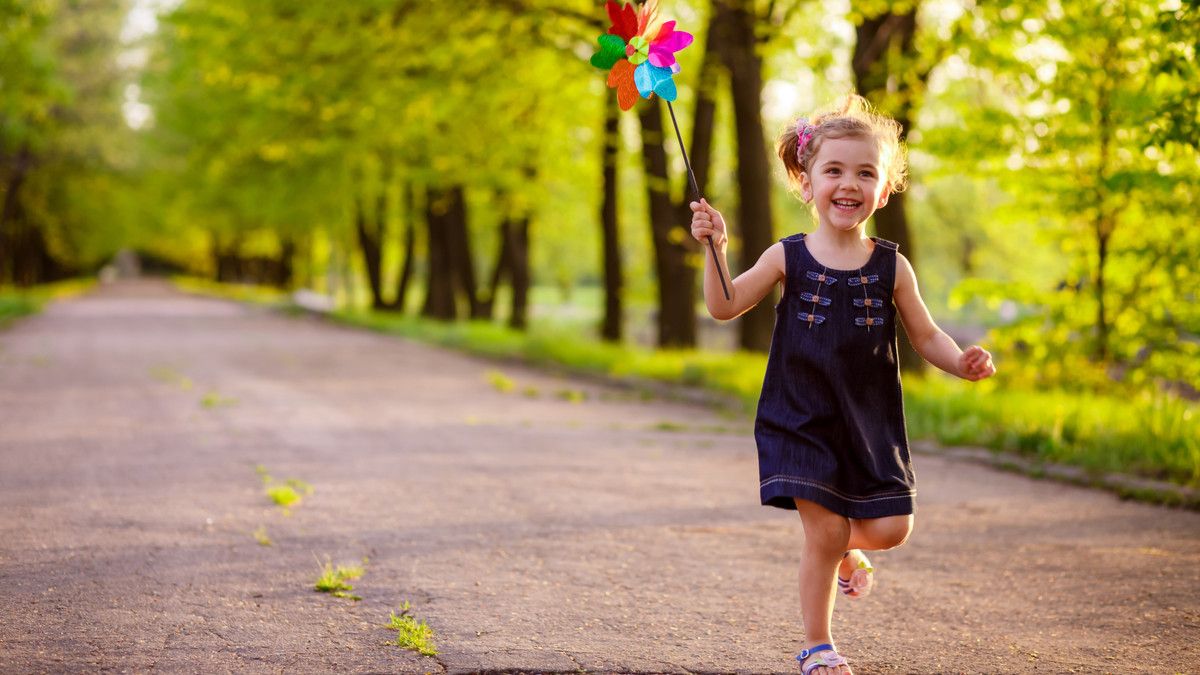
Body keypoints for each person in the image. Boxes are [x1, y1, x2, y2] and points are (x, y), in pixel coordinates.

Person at [689, 95, 996, 675]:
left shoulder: (891, 266)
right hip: (798, 416)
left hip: (869, 421)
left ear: (884, 191)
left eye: (865, 172)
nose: (848, 183)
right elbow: (724, 304)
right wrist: (716, 249)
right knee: (823, 529)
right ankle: (817, 646)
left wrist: (962, 363)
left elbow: (927, 336)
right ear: (807, 183)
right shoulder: (788, 256)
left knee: (892, 527)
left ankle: (847, 550)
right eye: (833, 170)